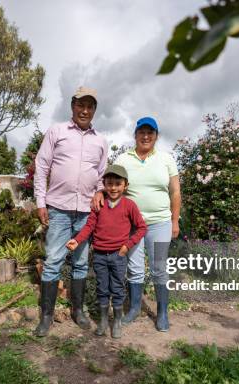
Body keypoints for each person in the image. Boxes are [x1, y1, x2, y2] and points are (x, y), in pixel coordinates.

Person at [93, 116, 181, 332]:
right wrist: (99, 191)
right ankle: (133, 309)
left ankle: (162, 313)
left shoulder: (166, 159)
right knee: (134, 268)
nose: (145, 136)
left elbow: (175, 191)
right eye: (141, 132)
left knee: (159, 268)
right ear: (135, 135)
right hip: (131, 224)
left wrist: (174, 220)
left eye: (150, 132)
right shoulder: (124, 158)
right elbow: (111, 182)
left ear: (156, 136)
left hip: (160, 222)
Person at [33, 86, 108, 337]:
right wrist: (40, 202)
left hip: (87, 212)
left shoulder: (100, 140)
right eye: (80, 105)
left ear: (94, 110)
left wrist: (99, 191)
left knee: (80, 263)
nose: (85, 110)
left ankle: (78, 311)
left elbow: (101, 175)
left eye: (90, 106)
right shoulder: (57, 132)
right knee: (53, 261)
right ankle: (46, 316)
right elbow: (42, 167)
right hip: (58, 209)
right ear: (73, 106)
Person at [66, 165, 147, 338]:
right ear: (104, 184)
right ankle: (103, 320)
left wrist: (127, 246)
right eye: (109, 183)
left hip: (119, 255)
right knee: (102, 288)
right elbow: (89, 226)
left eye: (118, 183)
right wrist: (77, 240)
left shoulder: (129, 205)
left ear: (125, 185)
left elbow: (141, 228)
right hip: (100, 256)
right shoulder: (99, 205)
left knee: (117, 288)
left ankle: (116, 321)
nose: (113, 187)